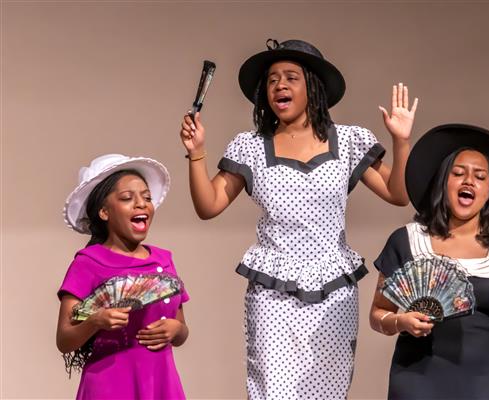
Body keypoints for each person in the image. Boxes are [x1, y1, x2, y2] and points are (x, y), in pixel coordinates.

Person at [179, 38, 417, 399]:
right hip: (272, 290)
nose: (280, 86)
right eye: (272, 80)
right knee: (272, 390)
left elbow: (397, 194)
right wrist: (197, 153)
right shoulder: (250, 146)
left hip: (333, 290)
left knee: (327, 390)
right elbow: (208, 205)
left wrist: (401, 141)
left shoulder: (349, 141)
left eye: (291, 77)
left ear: (313, 88)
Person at [369, 124, 489, 399]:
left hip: (485, 382)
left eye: (480, 176)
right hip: (417, 381)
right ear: (443, 183)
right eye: (458, 174)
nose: (468, 181)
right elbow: (378, 315)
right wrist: (402, 322)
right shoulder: (407, 241)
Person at [57, 154, 189, 399]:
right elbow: (64, 340)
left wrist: (176, 330)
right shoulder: (88, 263)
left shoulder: (164, 260)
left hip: (161, 383)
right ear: (104, 212)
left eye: (147, 197)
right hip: (110, 385)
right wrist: (95, 321)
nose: (141, 204)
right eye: (128, 198)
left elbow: (181, 329)